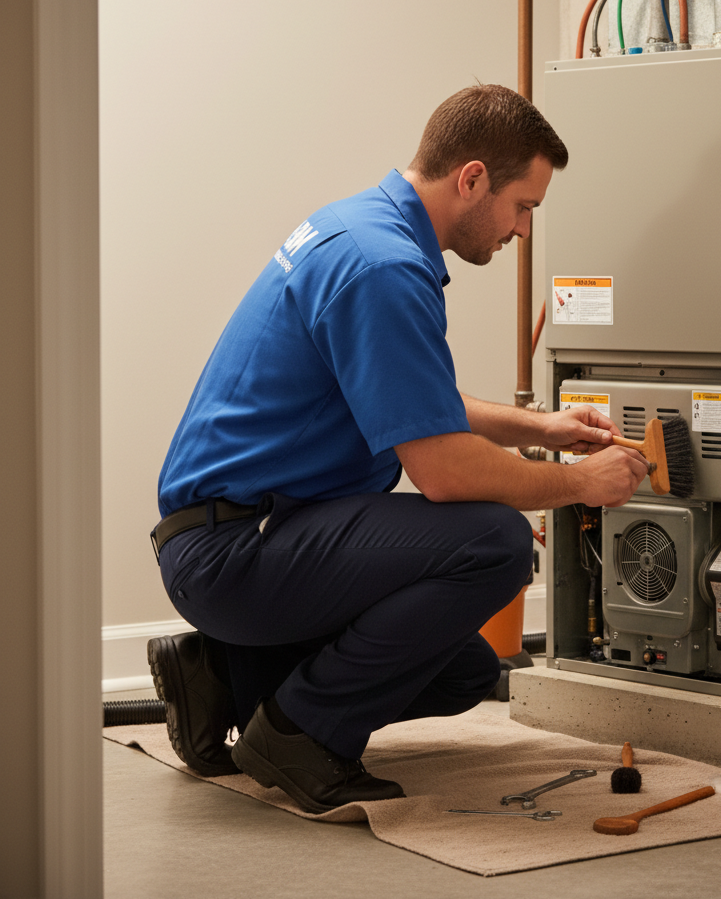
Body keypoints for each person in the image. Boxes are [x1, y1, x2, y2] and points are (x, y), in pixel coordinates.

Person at [148, 84, 648, 814]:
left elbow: (406, 397)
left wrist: (541, 429)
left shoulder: (361, 229)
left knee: (460, 669)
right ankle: (298, 735)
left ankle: (222, 677)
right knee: (496, 543)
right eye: (523, 206)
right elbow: (442, 472)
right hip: (235, 551)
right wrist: (579, 483)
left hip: (242, 534)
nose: (523, 230)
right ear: (472, 178)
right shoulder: (382, 267)